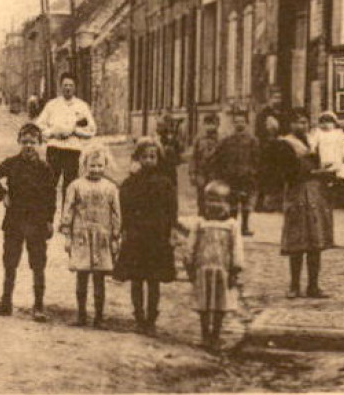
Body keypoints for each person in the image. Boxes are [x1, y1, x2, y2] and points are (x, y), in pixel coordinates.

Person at [0, 123, 58, 321]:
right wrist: (2, 195)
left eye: (33, 142)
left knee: (38, 264)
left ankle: (39, 306)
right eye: (25, 142)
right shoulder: (11, 163)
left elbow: (51, 196)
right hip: (14, 221)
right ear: (19, 142)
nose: (29, 146)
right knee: (10, 262)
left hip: (37, 222)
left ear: (40, 143)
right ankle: (6, 302)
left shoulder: (45, 168)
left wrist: (49, 221)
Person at [114, 138, 178, 335]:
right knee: (136, 277)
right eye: (145, 157)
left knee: (154, 278)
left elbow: (172, 209)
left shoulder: (166, 183)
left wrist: (172, 230)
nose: (149, 160)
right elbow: (123, 208)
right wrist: (122, 230)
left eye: (153, 156)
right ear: (137, 158)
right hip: (136, 235)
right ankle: (139, 316)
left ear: (158, 159)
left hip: (157, 236)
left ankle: (151, 318)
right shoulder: (130, 183)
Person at [178, 180, 245, 350]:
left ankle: (216, 334)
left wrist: (235, 270)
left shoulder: (232, 226)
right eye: (210, 200)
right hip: (203, 269)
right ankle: (204, 334)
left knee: (220, 304)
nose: (214, 205)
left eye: (220, 201)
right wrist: (189, 263)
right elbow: (191, 245)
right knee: (204, 303)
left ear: (229, 205)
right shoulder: (200, 223)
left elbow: (236, 248)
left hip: (223, 270)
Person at [60, 144, 122, 328]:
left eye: (99, 166)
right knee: (81, 276)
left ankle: (99, 317)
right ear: (84, 165)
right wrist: (67, 235)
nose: (96, 170)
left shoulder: (111, 188)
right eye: (92, 165)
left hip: (102, 237)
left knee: (99, 278)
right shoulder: (76, 186)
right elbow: (68, 210)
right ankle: (81, 314)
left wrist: (115, 237)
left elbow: (116, 213)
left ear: (105, 165)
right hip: (81, 236)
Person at [273, 110, 333, 299]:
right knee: (297, 242)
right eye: (298, 122)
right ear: (291, 125)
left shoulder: (313, 142)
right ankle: (294, 285)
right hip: (297, 195)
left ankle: (313, 286)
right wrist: (314, 173)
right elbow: (287, 173)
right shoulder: (285, 144)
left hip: (315, 195)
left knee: (315, 242)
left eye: (305, 122)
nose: (303, 126)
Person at [37, 72, 97, 213]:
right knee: (50, 182)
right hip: (55, 149)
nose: (68, 88)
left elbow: (92, 129)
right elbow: (39, 125)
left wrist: (75, 131)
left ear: (75, 87)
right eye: (65, 85)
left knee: (70, 184)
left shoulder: (82, 106)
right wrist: (52, 132)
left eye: (71, 85)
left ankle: (67, 216)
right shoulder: (52, 105)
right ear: (60, 86)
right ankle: (47, 215)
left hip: (72, 149)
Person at [208, 108, 261, 237]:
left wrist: (253, 171)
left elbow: (257, 158)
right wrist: (222, 172)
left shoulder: (252, 140)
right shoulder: (227, 140)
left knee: (246, 204)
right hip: (231, 176)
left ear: (246, 123)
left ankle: (244, 227)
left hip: (247, 176)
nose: (239, 124)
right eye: (237, 122)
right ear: (233, 124)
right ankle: (232, 227)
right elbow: (218, 157)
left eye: (242, 121)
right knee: (232, 202)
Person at [189, 114, 221, 216]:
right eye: (208, 124)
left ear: (217, 125)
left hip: (216, 172)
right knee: (201, 196)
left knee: (215, 197)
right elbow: (193, 157)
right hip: (201, 172)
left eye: (213, 124)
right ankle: (201, 217)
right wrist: (192, 173)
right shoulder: (199, 139)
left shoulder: (222, 139)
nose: (210, 126)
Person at [311, 111, 344, 186]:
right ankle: (328, 181)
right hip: (325, 154)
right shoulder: (319, 133)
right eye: (323, 123)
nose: (326, 125)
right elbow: (313, 142)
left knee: (339, 169)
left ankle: (338, 181)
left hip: (337, 155)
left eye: (329, 122)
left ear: (334, 123)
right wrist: (312, 149)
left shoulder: (339, 133)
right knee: (326, 169)